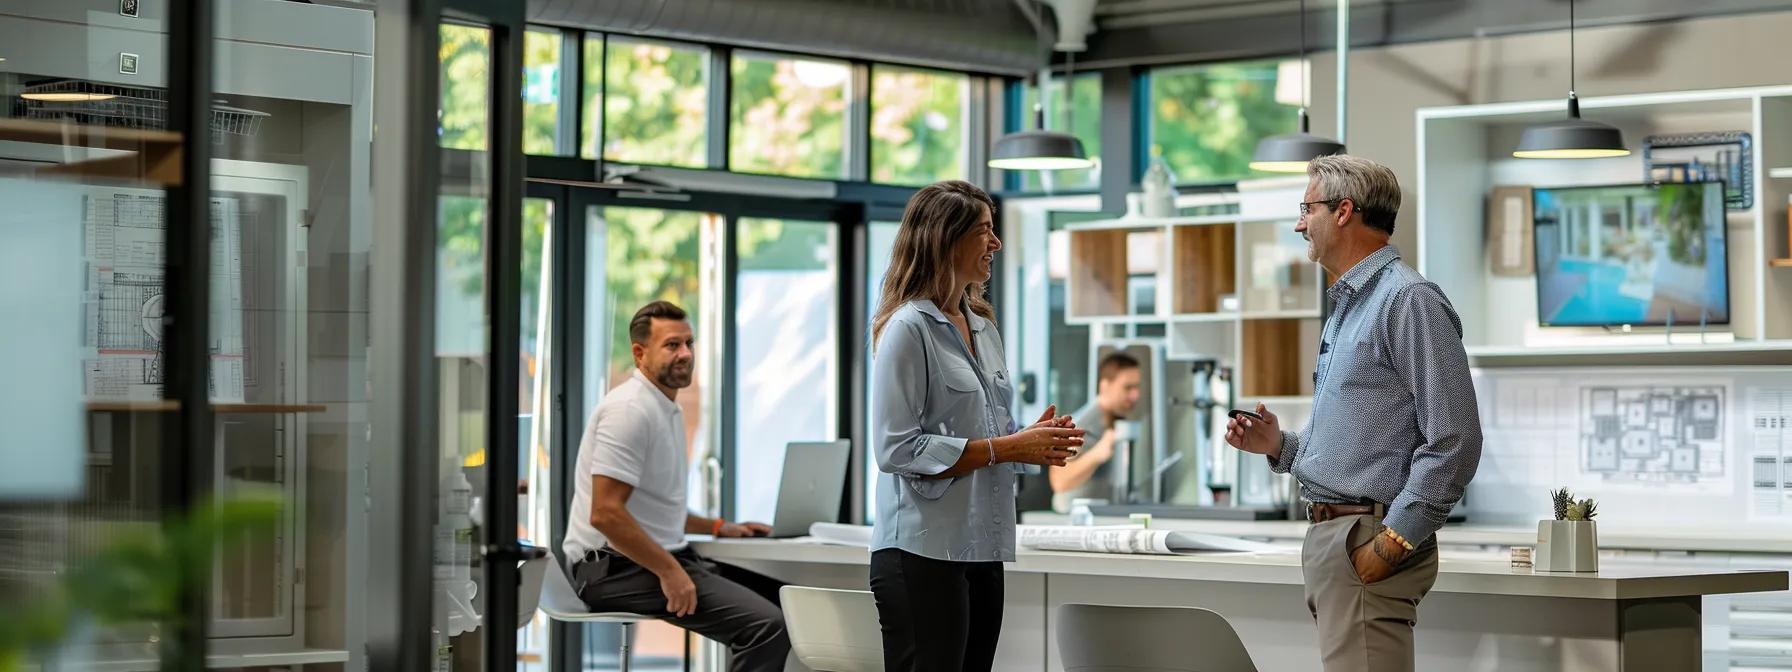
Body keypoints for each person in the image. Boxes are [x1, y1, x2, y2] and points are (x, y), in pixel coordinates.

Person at [1223, 154, 1482, 672]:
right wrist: (1280, 446)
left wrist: (1392, 542)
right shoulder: (1349, 305)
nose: (1299, 223)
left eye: (1306, 208)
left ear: (1344, 211)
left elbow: (1455, 437)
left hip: (1366, 541)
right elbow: (1358, 446)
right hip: (1337, 541)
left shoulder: (1408, 300)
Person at [867, 180, 1086, 672]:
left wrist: (1032, 443)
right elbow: (896, 450)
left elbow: (990, 435)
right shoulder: (908, 328)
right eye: (985, 231)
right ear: (948, 239)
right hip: (920, 552)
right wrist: (1010, 446)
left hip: (982, 549)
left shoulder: (983, 327)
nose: (996, 243)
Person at [564, 300, 790, 672]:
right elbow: (605, 513)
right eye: (672, 345)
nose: (685, 354)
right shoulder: (629, 411)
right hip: (611, 570)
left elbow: (654, 509)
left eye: (689, 343)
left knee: (788, 601)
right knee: (766, 627)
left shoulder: (664, 408)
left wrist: (718, 527)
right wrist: (669, 572)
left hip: (648, 559)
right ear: (640, 353)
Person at [1049, 351, 1143, 512]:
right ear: (1105, 386)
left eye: (1136, 387)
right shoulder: (1079, 425)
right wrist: (1098, 453)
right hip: (1073, 523)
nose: (1135, 395)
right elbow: (1059, 481)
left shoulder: (1114, 421)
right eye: (1128, 388)